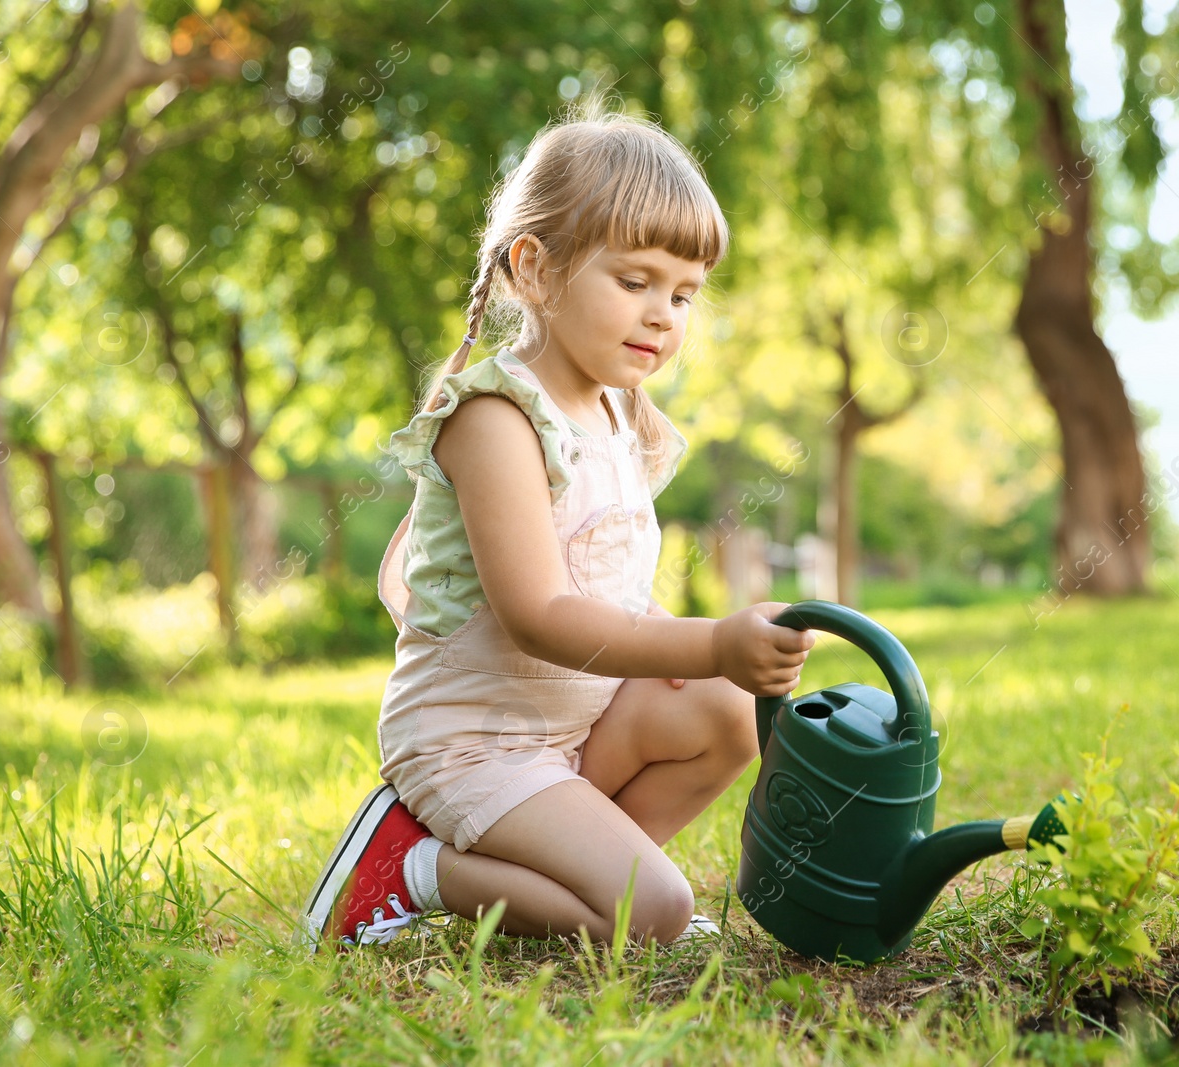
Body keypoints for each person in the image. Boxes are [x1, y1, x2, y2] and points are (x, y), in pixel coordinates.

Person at [301, 104, 814, 951]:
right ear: (536, 270)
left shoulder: (622, 416)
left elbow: (613, 590)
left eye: (684, 294)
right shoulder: (498, 420)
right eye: (635, 280)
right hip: (476, 744)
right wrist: (710, 644)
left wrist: (720, 666)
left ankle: (584, 873)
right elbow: (539, 613)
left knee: (727, 710)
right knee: (654, 913)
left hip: (572, 736)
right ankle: (410, 867)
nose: (664, 315)